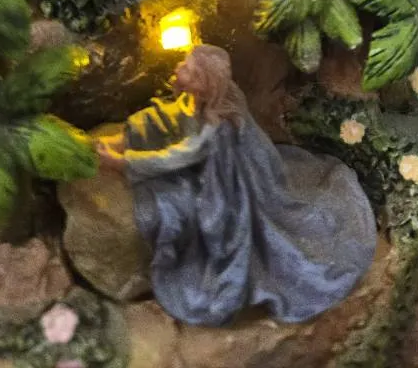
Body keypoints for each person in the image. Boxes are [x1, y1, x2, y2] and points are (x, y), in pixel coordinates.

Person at [96, 45, 377, 327]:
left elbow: (178, 157)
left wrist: (125, 163)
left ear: (205, 84)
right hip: (213, 162)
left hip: (226, 183)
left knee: (189, 210)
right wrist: (125, 140)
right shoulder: (200, 99)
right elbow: (174, 116)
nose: (179, 69)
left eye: (188, 70)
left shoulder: (217, 122)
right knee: (154, 120)